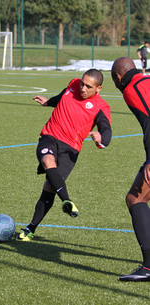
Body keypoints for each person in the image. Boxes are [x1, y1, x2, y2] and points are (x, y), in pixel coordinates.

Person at [17, 69, 112, 242]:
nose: (83, 88)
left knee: (49, 187)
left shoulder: (101, 107)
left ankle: (31, 228)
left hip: (71, 150)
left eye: (88, 86)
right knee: (47, 161)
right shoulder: (73, 84)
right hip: (50, 137)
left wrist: (101, 139)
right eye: (82, 83)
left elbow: (106, 132)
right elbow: (61, 97)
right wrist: (48, 102)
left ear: (98, 89)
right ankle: (67, 201)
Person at [111, 57, 150, 281]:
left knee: (136, 199)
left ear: (118, 77)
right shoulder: (146, 80)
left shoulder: (131, 90)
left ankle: (149, 268)